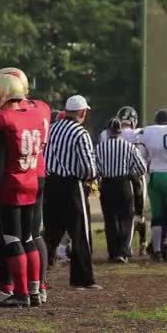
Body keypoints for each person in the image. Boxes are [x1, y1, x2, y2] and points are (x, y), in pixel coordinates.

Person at [0, 67, 51, 303]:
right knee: (32, 235)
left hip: (15, 175)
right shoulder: (40, 109)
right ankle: (38, 288)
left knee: (12, 237)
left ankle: (18, 290)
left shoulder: (4, 118)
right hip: (36, 171)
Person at [43, 95, 100, 289]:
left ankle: (37, 276)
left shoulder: (51, 128)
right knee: (80, 232)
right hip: (71, 186)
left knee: (50, 233)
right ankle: (82, 279)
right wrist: (91, 178)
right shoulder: (80, 133)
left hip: (50, 184)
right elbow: (88, 168)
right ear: (83, 112)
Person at [136, 109, 167, 262]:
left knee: (157, 216)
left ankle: (157, 251)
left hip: (154, 176)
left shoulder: (148, 131)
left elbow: (141, 156)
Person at [97, 118, 148, 264]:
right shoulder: (129, 147)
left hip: (107, 185)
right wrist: (130, 173)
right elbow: (142, 168)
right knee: (126, 219)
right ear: (120, 132)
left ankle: (113, 252)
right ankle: (123, 252)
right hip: (124, 184)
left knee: (110, 219)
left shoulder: (100, 148)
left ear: (108, 132)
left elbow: (95, 169)